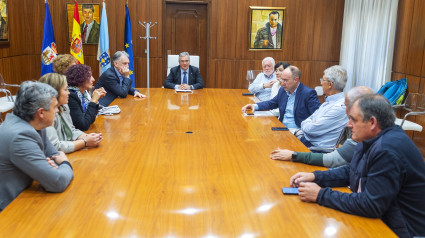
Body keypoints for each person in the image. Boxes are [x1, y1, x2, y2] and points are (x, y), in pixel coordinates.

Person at [289, 94, 425, 238]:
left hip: (403, 231)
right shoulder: (371, 139)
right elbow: (352, 170)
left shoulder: (387, 149)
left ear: (372, 122)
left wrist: (320, 195)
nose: (348, 124)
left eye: (353, 119)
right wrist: (315, 176)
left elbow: (371, 205)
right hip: (386, 221)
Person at [0, 81, 74, 212]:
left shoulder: (35, 125)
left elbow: (53, 156)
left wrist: (53, 166)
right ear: (41, 113)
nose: (57, 110)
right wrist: (65, 164)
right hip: (10, 212)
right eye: (55, 107)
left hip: (28, 197)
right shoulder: (20, 136)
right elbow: (57, 182)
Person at [270, 86, 373, 168]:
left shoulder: (375, 142)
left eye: (346, 105)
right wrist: (316, 177)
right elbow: (349, 172)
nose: (348, 124)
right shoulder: (361, 128)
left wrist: (294, 155)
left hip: (317, 148)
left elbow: (335, 159)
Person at [39, 73, 103, 153]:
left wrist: (87, 137)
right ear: (55, 92)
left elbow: (71, 130)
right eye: (65, 90)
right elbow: (55, 147)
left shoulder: (64, 105)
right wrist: (84, 142)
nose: (69, 93)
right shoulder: (45, 113)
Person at [243, 66, 321, 129]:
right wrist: (254, 106)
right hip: (282, 128)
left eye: (285, 80)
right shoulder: (283, 90)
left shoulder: (308, 93)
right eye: (281, 80)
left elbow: (318, 116)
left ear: (296, 80)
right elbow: (272, 103)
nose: (282, 83)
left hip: (298, 130)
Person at [297, 65, 348, 148]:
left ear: (330, 84)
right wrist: (310, 123)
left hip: (316, 150)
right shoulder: (327, 102)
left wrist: (312, 123)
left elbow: (311, 129)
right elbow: (306, 122)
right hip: (307, 142)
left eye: (323, 80)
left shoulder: (340, 107)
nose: (320, 83)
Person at [65, 64, 106, 131]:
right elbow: (83, 125)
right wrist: (93, 101)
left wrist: (95, 100)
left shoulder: (83, 93)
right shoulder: (70, 95)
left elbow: (91, 119)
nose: (93, 79)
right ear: (79, 78)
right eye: (89, 77)